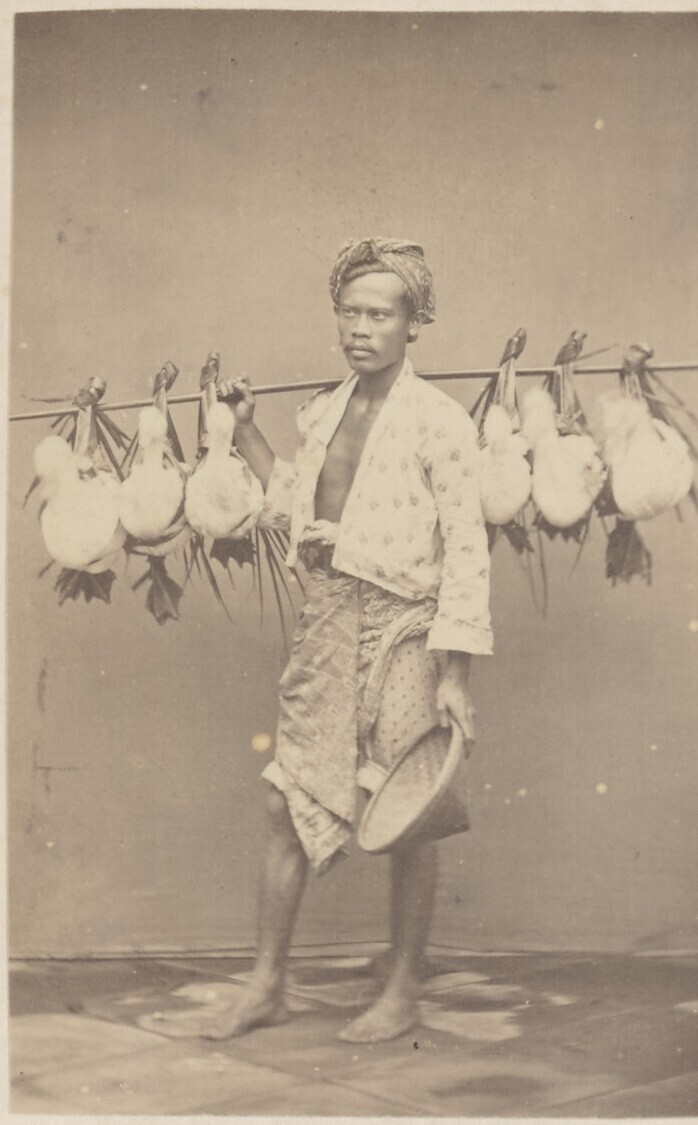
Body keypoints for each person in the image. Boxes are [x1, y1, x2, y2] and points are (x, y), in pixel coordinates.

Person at [190, 238, 492, 1043]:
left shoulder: (439, 422)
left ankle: (402, 986)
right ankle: (266, 984)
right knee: (284, 799)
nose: (360, 328)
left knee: (409, 808)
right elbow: (296, 501)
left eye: (379, 314)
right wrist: (248, 432)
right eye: (349, 312)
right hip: (327, 620)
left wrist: (454, 674)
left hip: (405, 626)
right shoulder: (323, 410)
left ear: (412, 323)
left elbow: (466, 548)